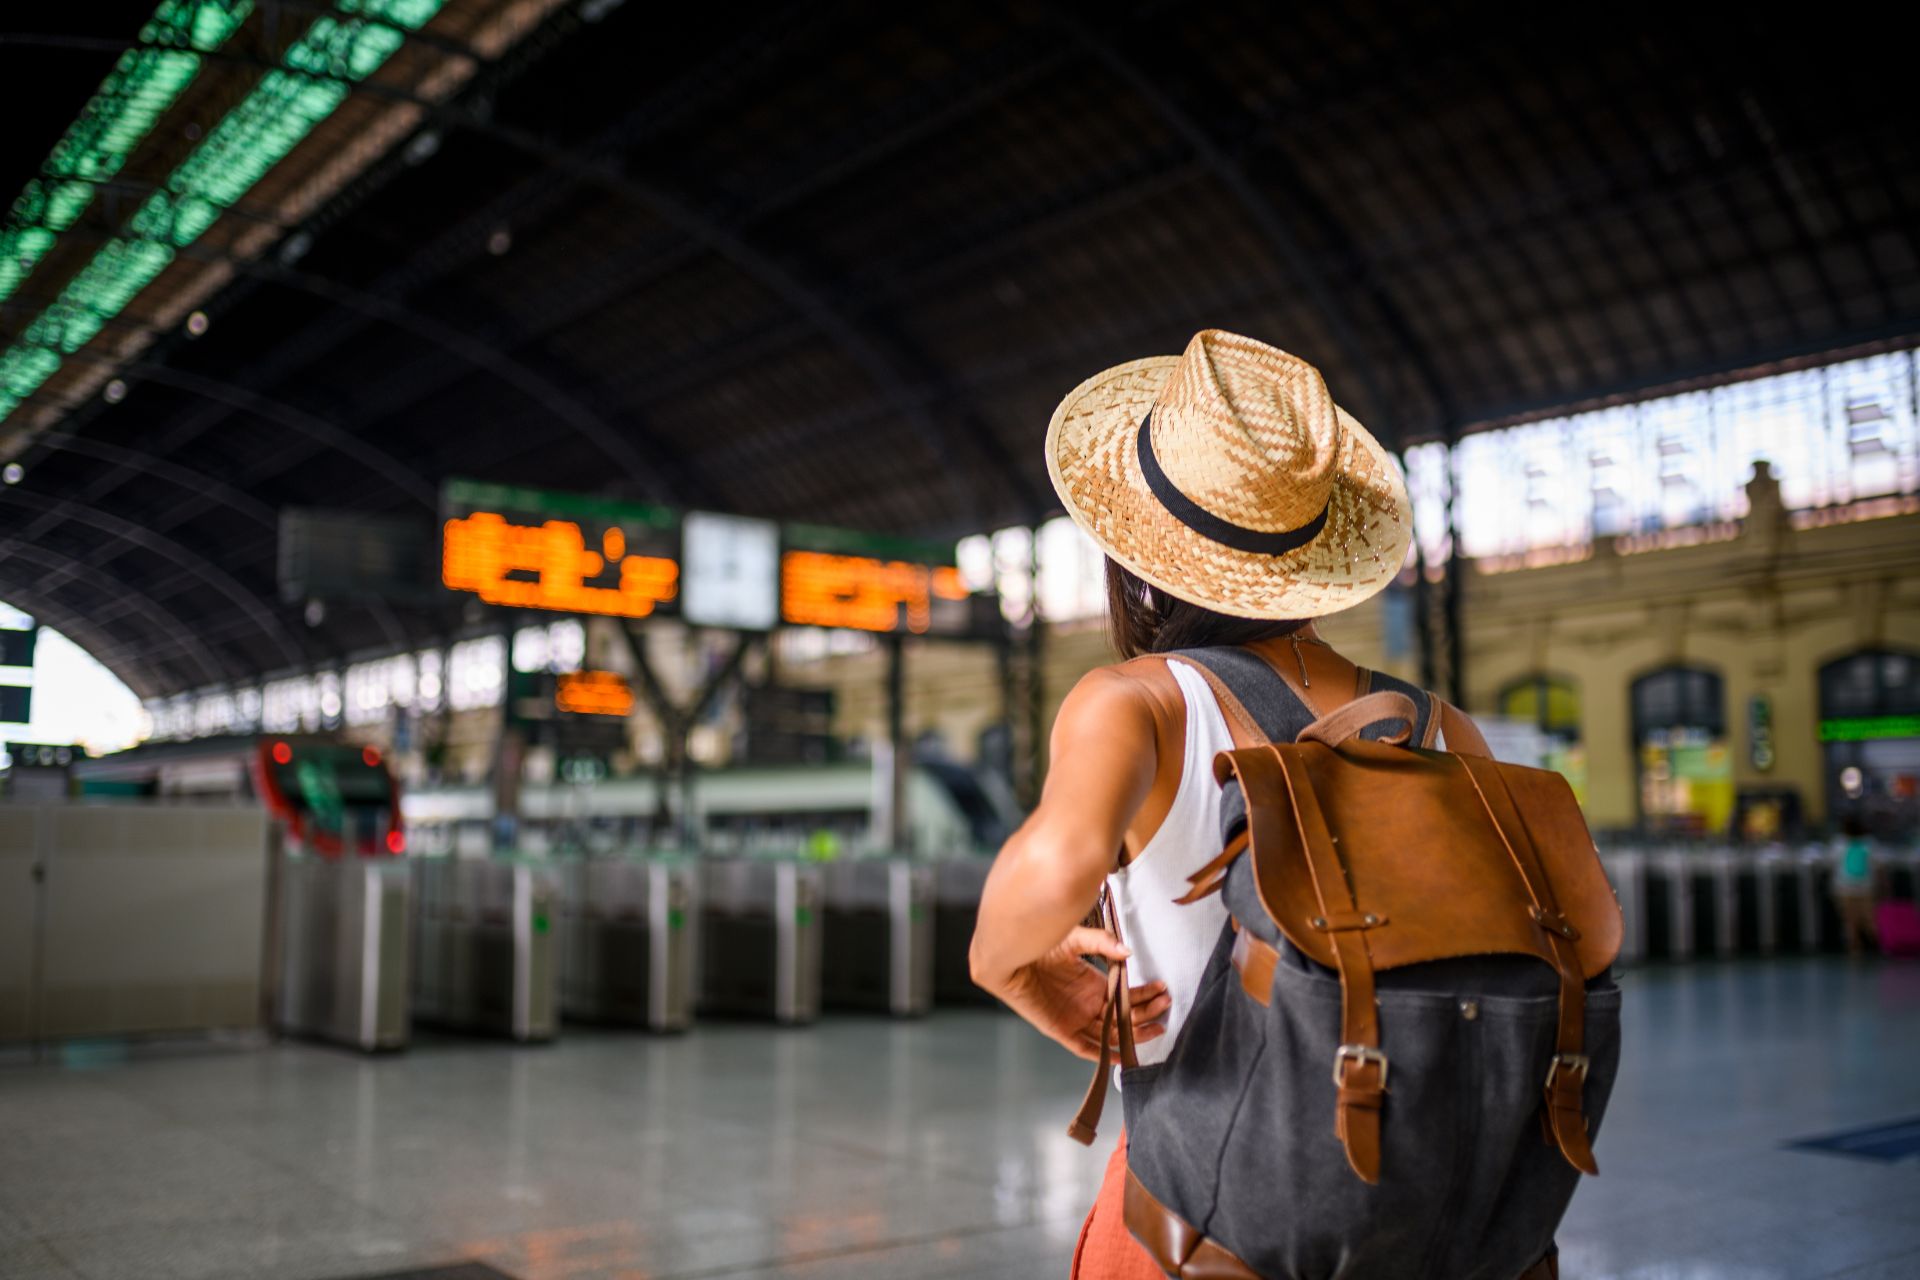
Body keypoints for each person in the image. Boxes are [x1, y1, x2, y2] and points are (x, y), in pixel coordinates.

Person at [969, 330, 1419, 1278]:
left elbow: (1042, 882)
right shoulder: (1435, 723)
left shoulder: (1139, 701)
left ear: (1134, 545)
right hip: (1416, 1210)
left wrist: (1022, 972)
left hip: (1204, 1210)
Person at [1832, 816, 1878, 956]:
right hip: (1865, 886)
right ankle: (1881, 945)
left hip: (1844, 886)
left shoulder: (1839, 844)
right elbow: (1878, 864)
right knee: (1869, 918)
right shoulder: (1869, 843)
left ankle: (1855, 949)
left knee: (1850, 920)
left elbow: (1832, 861)